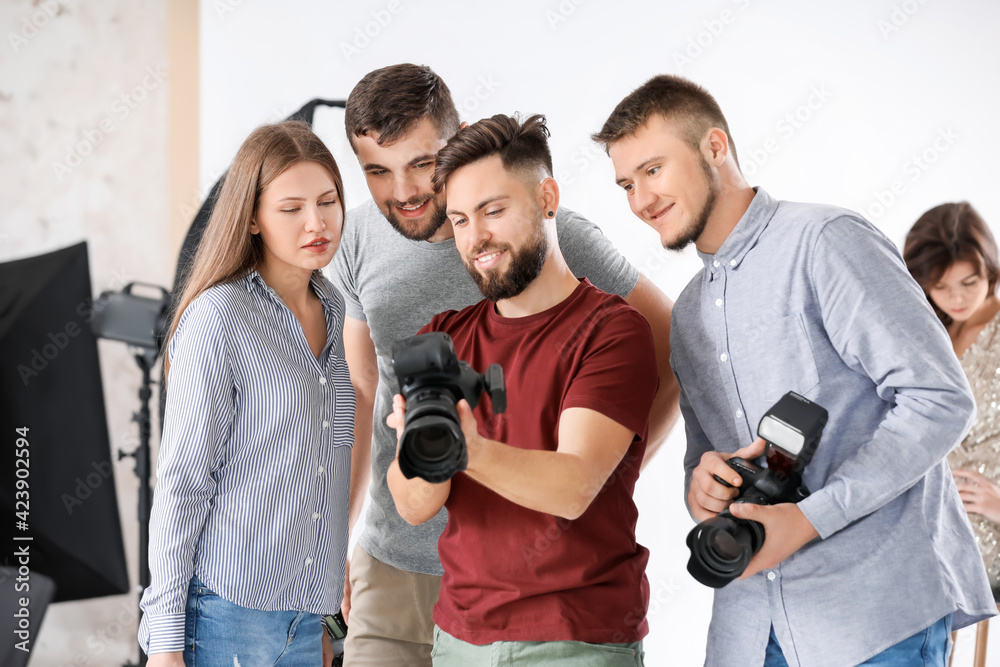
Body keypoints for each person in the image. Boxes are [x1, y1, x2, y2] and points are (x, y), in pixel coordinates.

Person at [594, 74, 996, 667]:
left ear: (714, 147)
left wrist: (808, 519)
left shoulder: (826, 242)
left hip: (875, 626)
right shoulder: (689, 314)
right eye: (627, 184)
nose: (640, 201)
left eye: (653, 170)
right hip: (747, 636)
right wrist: (701, 489)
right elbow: (701, 457)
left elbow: (939, 398)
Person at [328, 63, 680, 666]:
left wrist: (615, 467)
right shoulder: (435, 331)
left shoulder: (600, 311)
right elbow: (366, 396)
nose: (406, 190)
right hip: (428, 592)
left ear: (545, 200)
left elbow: (578, 479)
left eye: (421, 164)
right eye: (462, 219)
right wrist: (345, 529)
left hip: (570, 623)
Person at [139, 121, 354, 667]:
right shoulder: (219, 317)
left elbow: (330, 465)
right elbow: (183, 483)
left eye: (328, 201)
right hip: (225, 617)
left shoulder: (335, 308)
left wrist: (323, 612)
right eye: (291, 208)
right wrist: (165, 642)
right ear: (253, 218)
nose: (316, 222)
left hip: (307, 620)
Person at [904, 202, 1000, 596]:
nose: (956, 298)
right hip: (928, 511)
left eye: (969, 283)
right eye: (941, 287)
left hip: (984, 529)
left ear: (990, 270)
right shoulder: (931, 332)